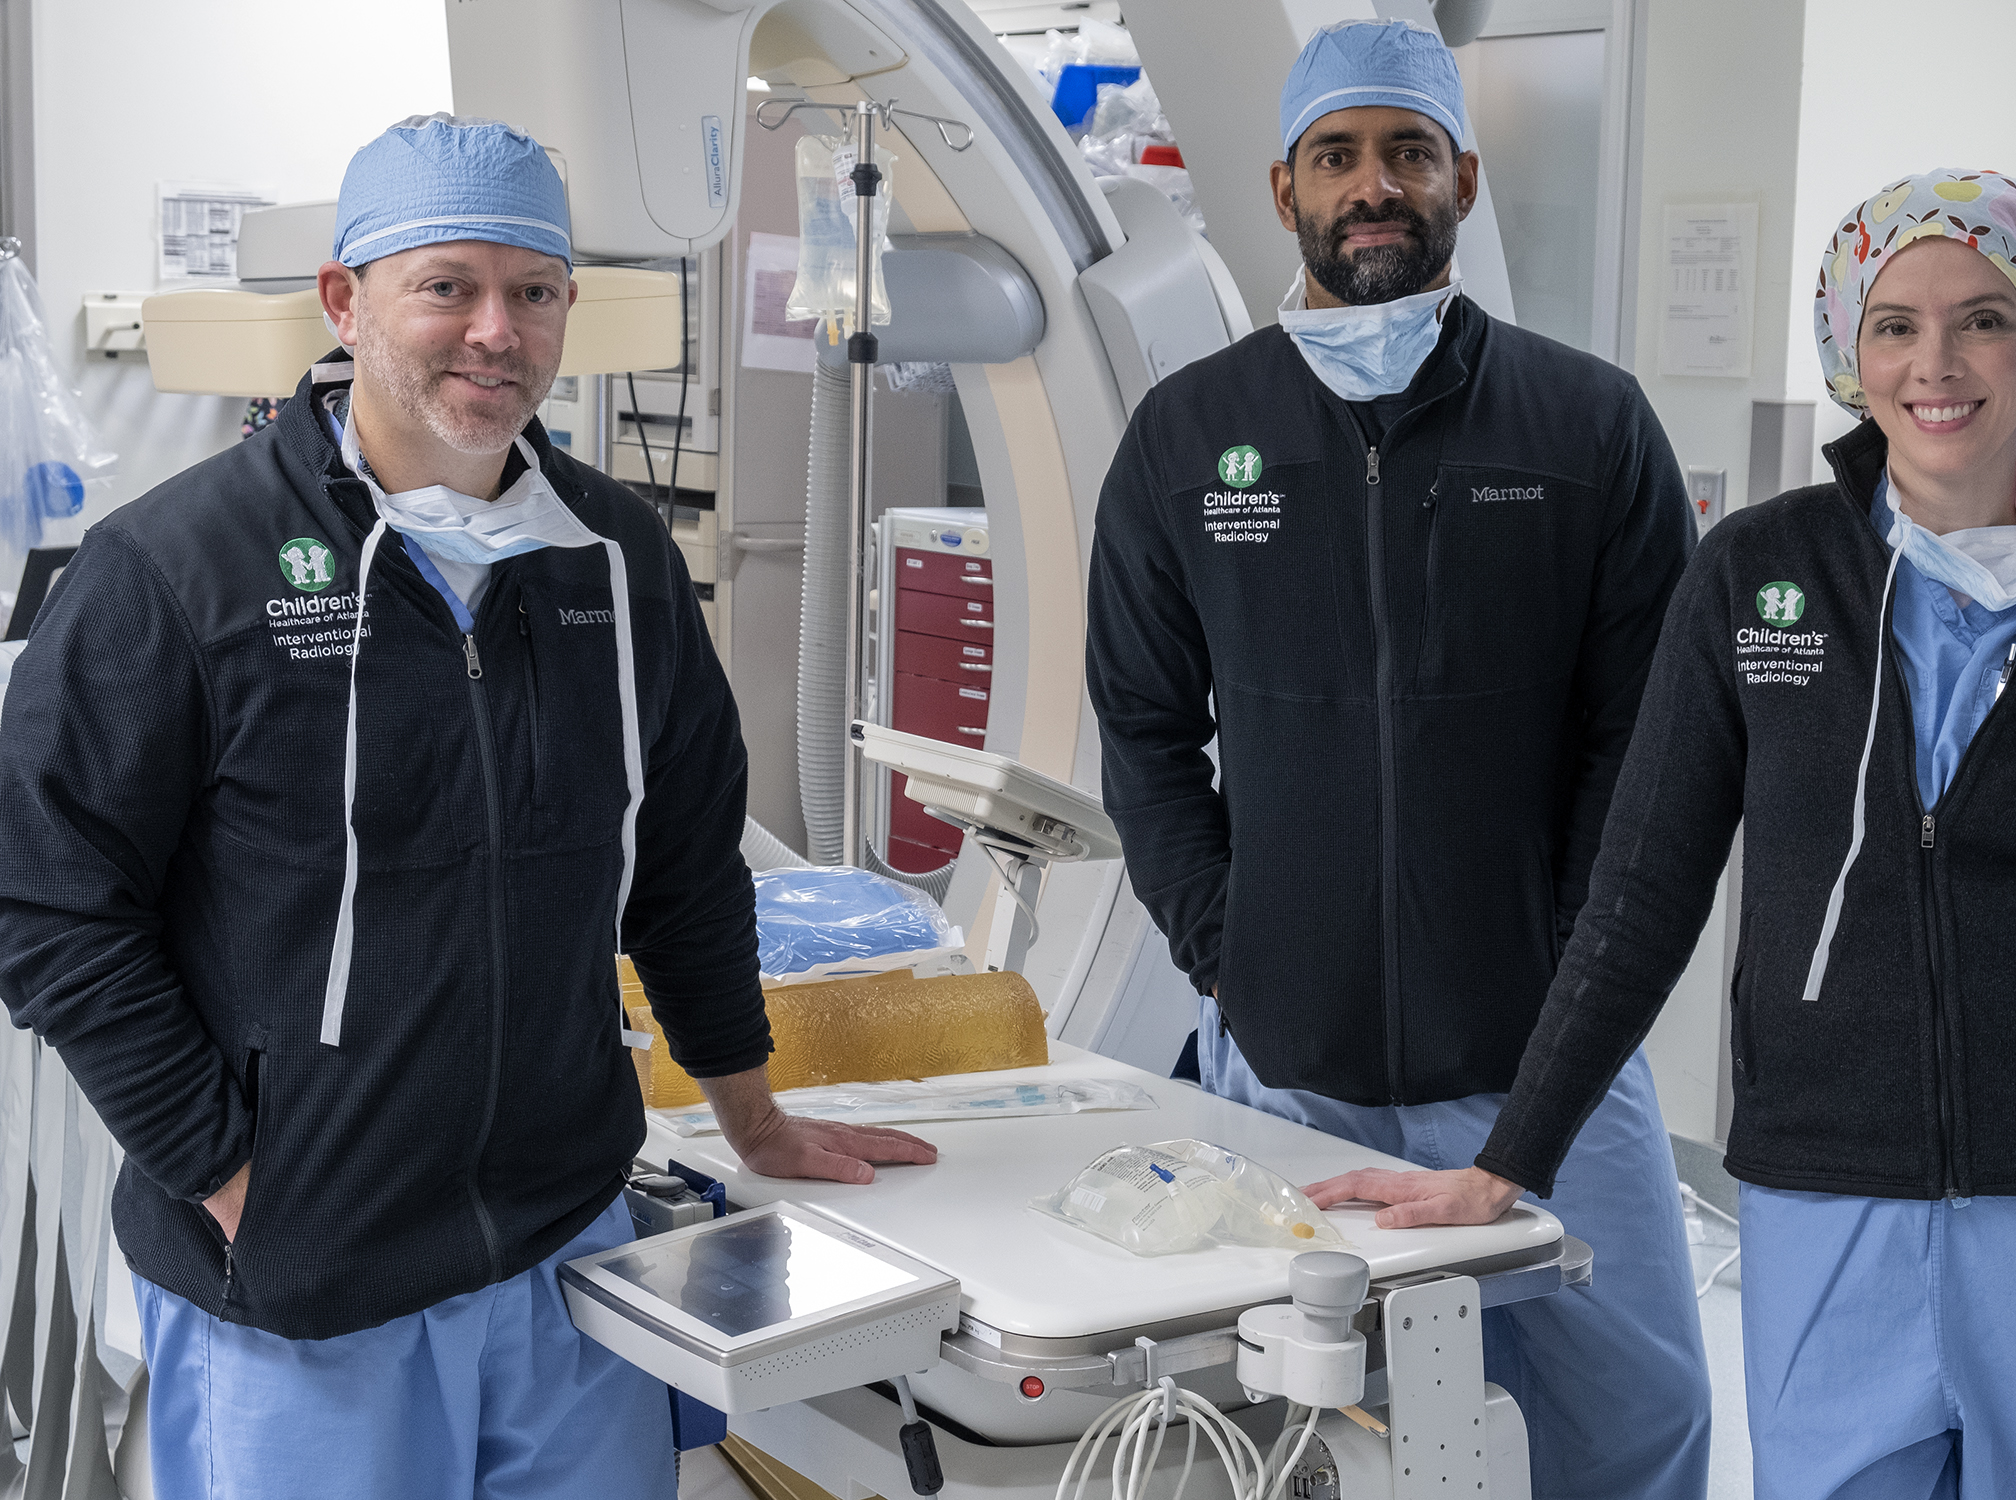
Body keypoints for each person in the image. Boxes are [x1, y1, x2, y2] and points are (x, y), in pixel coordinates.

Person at [0, 114, 935, 1500]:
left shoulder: (611, 560)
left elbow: (681, 867)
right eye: (447, 285)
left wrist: (751, 1114)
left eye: (534, 290)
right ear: (345, 299)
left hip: (565, 1252)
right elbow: (46, 901)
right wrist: (228, 1170)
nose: (495, 330)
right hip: (306, 1278)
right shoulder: (178, 569)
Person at [1321, 168, 2016, 1498]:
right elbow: (1638, 902)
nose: (1932, 362)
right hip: (1826, 1196)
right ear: (1846, 350)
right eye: (1891, 324)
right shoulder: (1758, 577)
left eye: (1982, 319)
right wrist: (1503, 1166)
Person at [1084, 21, 1708, 1499]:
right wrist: (1236, 957)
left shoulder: (1584, 425)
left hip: (1544, 1065)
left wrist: (1570, 969)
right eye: (1340, 157)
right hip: (1287, 1072)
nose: (1375, 186)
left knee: (1637, 1417)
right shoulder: (1189, 437)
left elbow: (1652, 747)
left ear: (1462, 181)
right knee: (1337, 1440)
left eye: (1407, 153)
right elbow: (1145, 732)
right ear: (1284, 186)